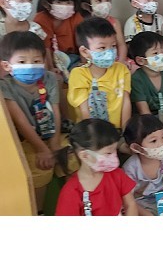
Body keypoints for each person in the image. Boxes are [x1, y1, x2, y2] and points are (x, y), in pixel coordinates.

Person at [0, 31, 63, 212]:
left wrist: (55, 144)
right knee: (39, 169)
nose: (30, 66)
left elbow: (56, 111)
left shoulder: (49, 78)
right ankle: (38, 212)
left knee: (71, 159)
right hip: (27, 140)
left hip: (51, 133)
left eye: (36, 61)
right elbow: (20, 121)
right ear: (7, 65)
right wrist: (42, 149)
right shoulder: (5, 86)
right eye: (22, 62)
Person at [55, 119, 138, 216]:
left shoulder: (117, 174)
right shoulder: (71, 191)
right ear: (85, 156)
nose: (114, 156)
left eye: (115, 150)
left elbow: (130, 204)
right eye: (108, 153)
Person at [67, 17, 131, 130]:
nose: (109, 52)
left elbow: (126, 102)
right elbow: (85, 111)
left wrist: (126, 132)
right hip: (91, 132)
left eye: (113, 46)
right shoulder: (78, 74)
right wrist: (97, 137)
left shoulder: (122, 70)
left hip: (118, 131)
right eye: (102, 47)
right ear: (85, 52)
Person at [122, 114, 163, 215]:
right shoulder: (130, 168)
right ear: (137, 148)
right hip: (141, 205)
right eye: (153, 141)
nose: (161, 143)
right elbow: (129, 200)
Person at [33, 0, 84, 74]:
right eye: (59, 2)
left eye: (68, 2)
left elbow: (83, 42)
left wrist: (84, 63)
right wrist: (51, 68)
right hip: (51, 60)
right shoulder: (41, 19)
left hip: (73, 58)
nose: (64, 6)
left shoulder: (76, 17)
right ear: (46, 4)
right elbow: (45, 47)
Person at [78, 0, 128, 66]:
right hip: (96, 63)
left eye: (107, 0)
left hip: (116, 60)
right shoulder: (84, 26)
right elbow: (84, 50)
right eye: (99, 1)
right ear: (86, 6)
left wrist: (121, 62)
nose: (105, 4)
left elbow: (121, 45)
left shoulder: (115, 22)